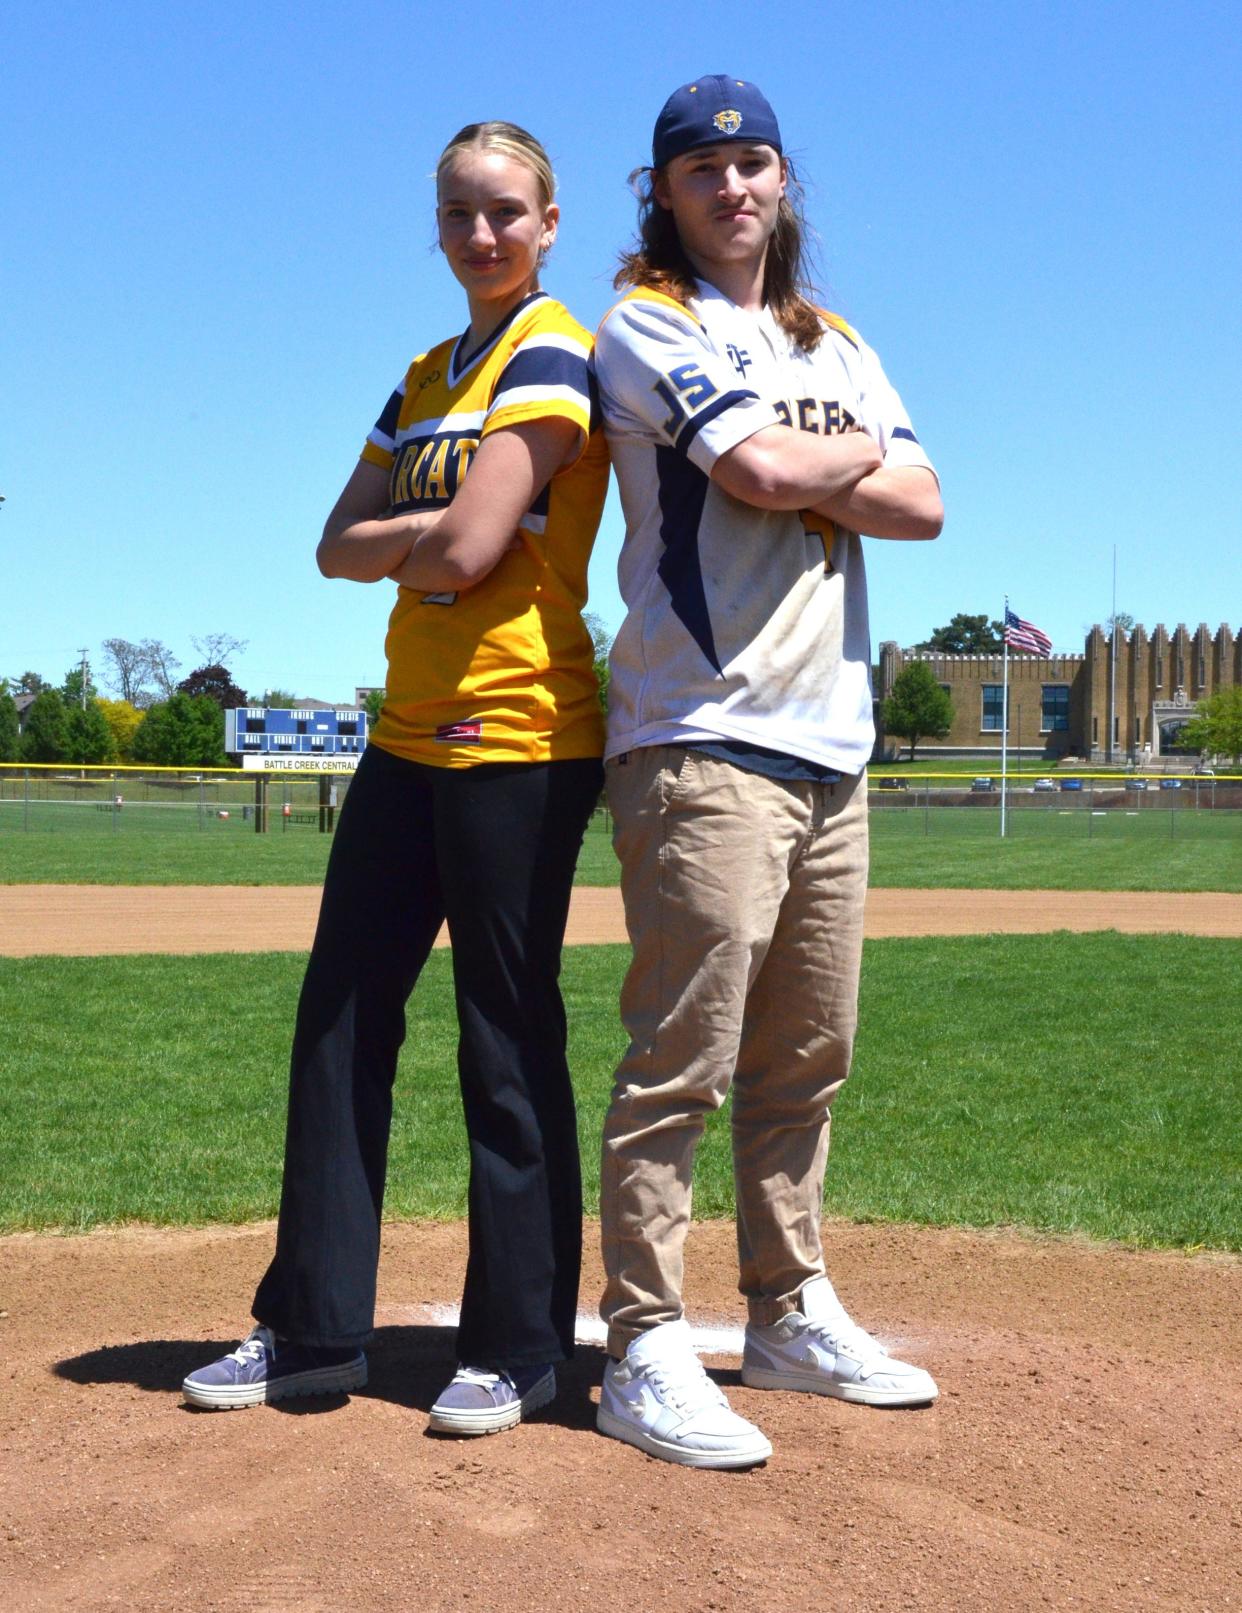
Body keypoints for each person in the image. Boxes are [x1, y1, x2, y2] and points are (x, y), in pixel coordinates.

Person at [183, 121, 609, 1436]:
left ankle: (521, 1344)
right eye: (455, 212)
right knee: (341, 1019)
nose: (477, 233)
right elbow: (332, 544)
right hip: (406, 730)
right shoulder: (429, 371)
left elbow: (477, 549)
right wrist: (427, 538)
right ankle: (311, 1327)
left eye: (502, 211)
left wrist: (416, 538)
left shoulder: (553, 350)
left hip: (519, 732)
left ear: (547, 221)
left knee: (502, 1032)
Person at [591, 75, 944, 1468]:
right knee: (683, 1059)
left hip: (831, 740)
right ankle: (641, 1343)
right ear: (663, 192)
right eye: (702, 169)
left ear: (783, 182)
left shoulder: (833, 337)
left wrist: (823, 458)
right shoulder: (646, 319)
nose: (732, 186)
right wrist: (835, 458)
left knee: (807, 1055)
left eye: (753, 163)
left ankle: (787, 1309)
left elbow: (921, 504)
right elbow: (743, 467)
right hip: (701, 732)